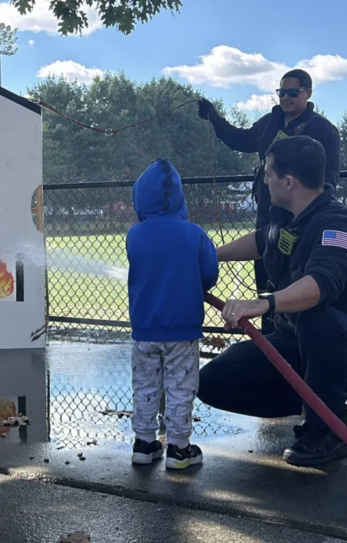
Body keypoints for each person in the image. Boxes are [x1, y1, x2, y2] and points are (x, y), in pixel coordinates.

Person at [197, 135, 347, 467]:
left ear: (288, 181)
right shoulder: (287, 220)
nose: (265, 180)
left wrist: (264, 304)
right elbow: (261, 241)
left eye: (269, 173)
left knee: (318, 318)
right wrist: (207, 258)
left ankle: (327, 429)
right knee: (212, 382)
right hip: (296, 342)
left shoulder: (339, 226)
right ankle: (316, 402)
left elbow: (319, 285)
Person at [198, 69, 341, 329]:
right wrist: (214, 118)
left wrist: (310, 209)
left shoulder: (323, 129)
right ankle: (268, 336)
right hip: (270, 213)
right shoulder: (268, 123)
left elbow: (330, 176)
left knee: (298, 274)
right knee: (266, 272)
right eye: (281, 92)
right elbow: (239, 139)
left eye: (292, 92)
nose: (285, 98)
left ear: (308, 93)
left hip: (304, 217)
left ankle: (297, 335)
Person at [126, 159, 219, 470]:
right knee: (180, 387)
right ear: (179, 197)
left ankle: (144, 443)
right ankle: (179, 449)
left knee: (145, 385)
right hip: (182, 329)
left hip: (144, 331)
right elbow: (209, 273)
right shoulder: (193, 234)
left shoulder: (134, 234)